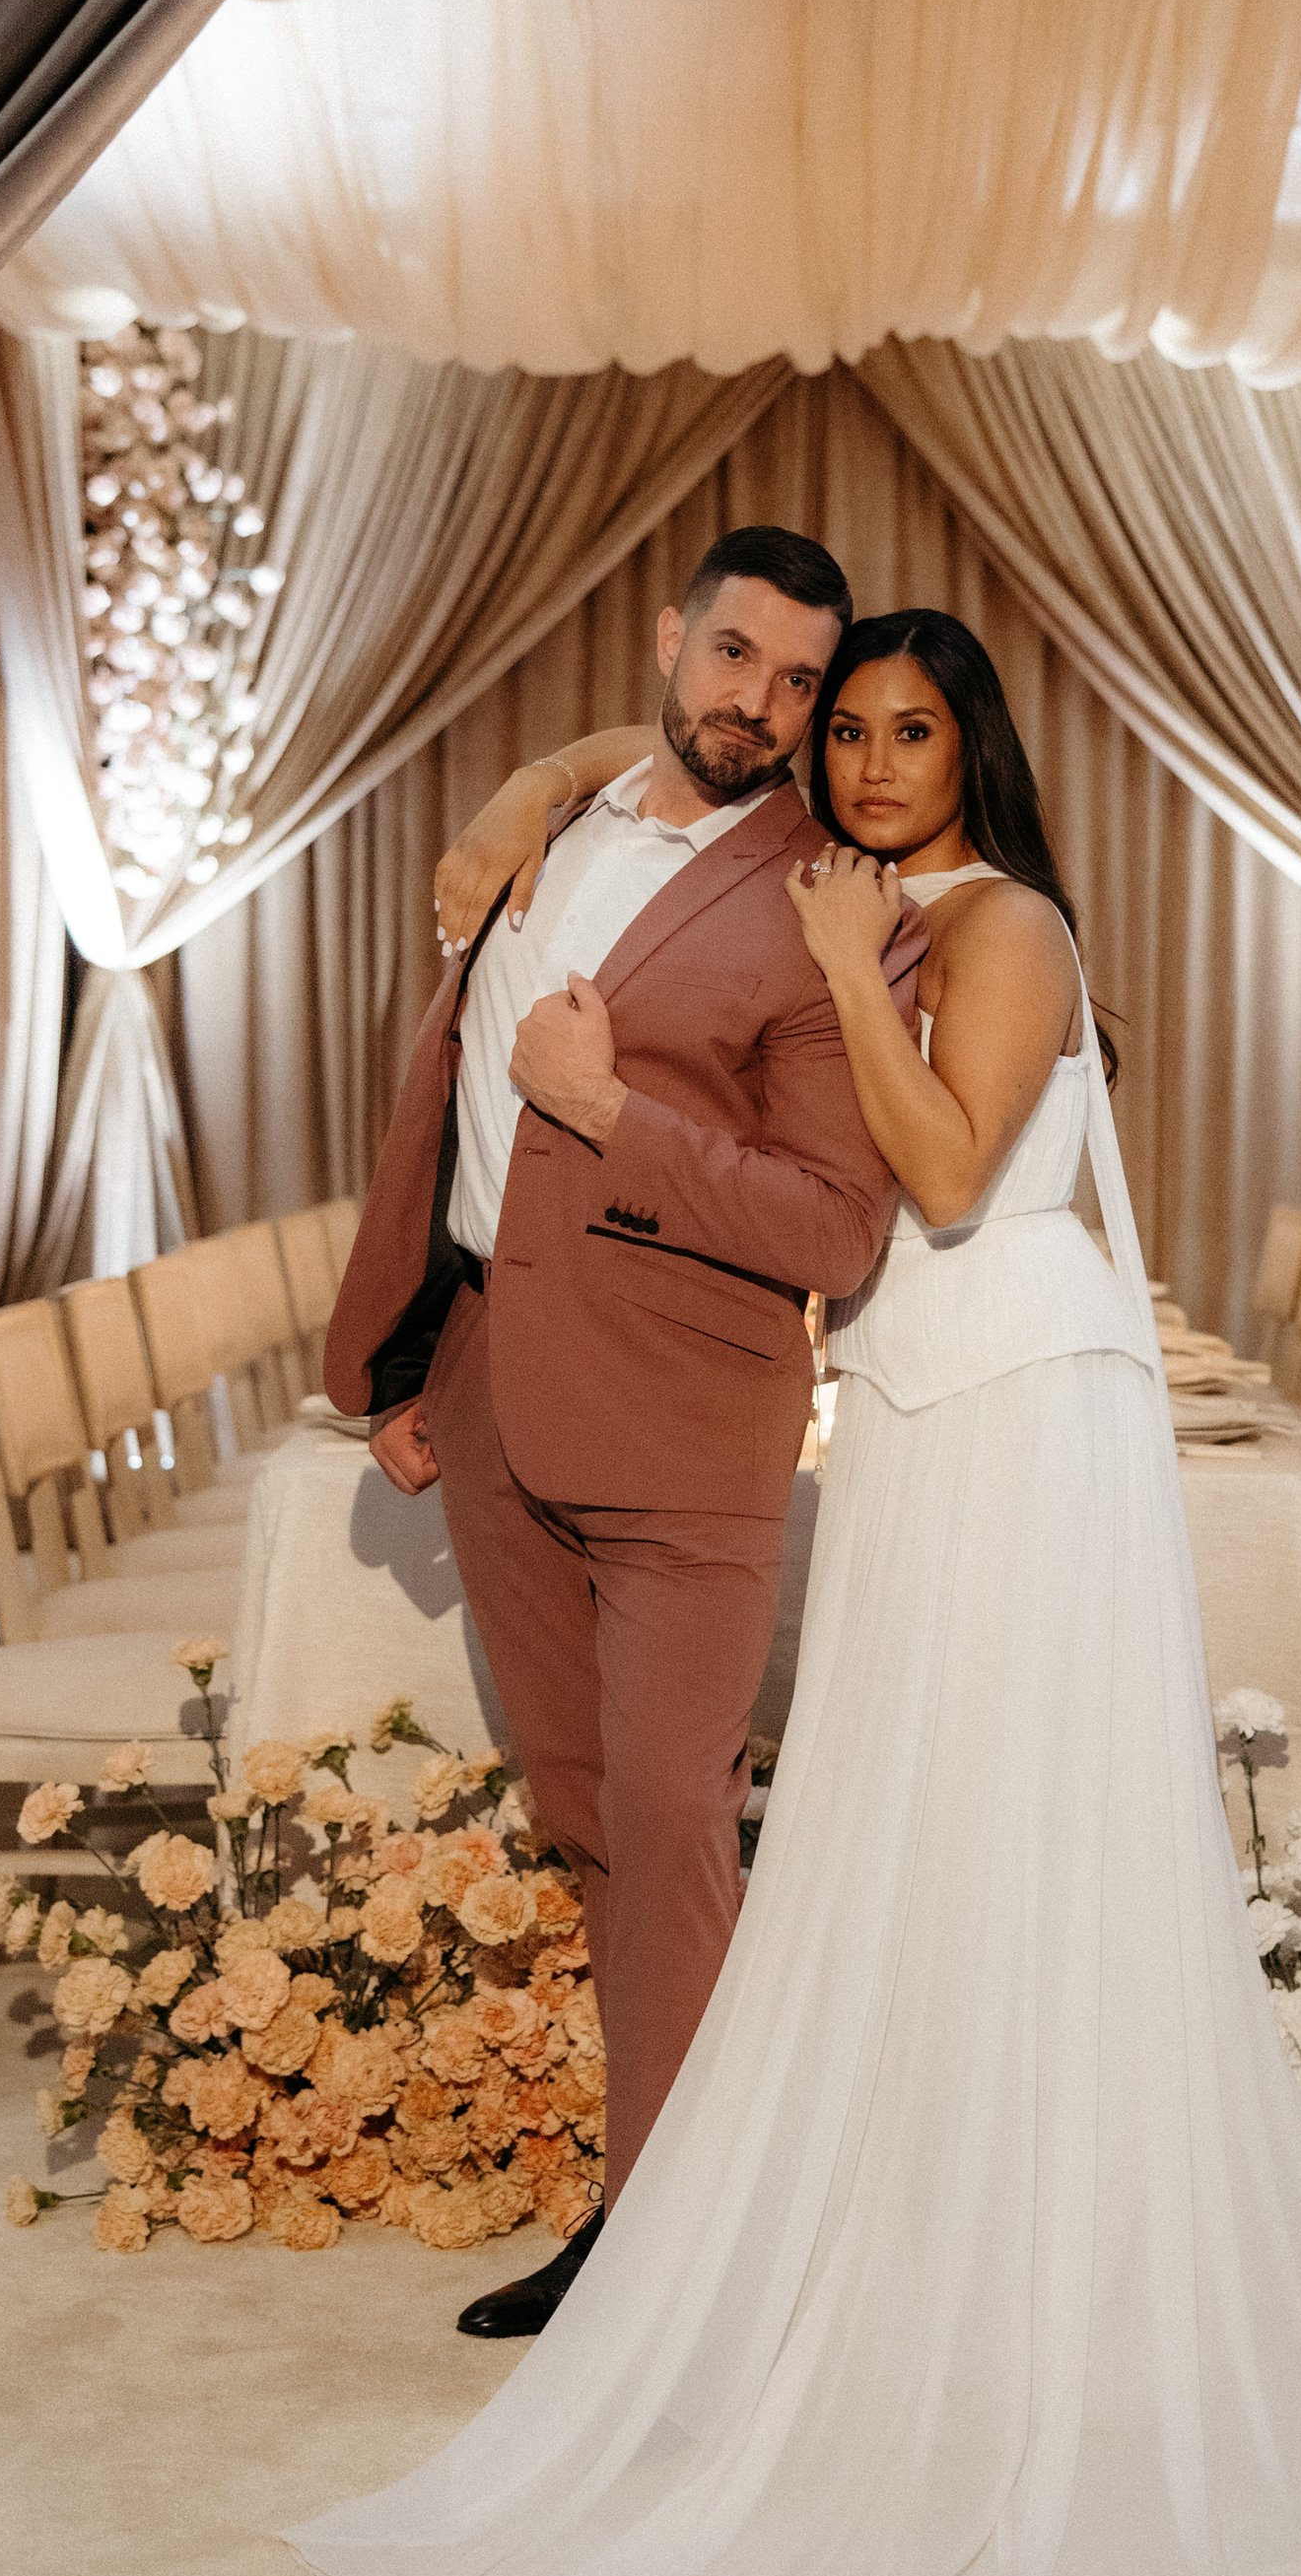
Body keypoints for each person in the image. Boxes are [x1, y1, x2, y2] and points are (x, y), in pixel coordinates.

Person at [291, 606, 1301, 2576]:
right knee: (901, 1838)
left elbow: (942, 1181)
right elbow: (693, 812)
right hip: (920, 1408)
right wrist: (565, 787)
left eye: (904, 730)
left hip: (1028, 1399)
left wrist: (856, 972)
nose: (861, 763)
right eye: (840, 730)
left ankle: (1085, 2309)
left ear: (971, 751)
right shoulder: (861, 893)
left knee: (1037, 1841)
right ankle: (923, 2268)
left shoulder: (1003, 920)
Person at [321, 528, 924, 2339]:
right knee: (588, 1812)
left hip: (690, 1426)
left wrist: (607, 1112)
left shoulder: (834, 902)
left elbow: (835, 1227)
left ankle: (688, 2252)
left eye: (802, 679)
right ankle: (641, 2203)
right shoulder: (550, 838)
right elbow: (451, 1121)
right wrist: (417, 1362)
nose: (764, 702)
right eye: (735, 654)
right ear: (670, 640)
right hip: (496, 1395)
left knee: (674, 1818)